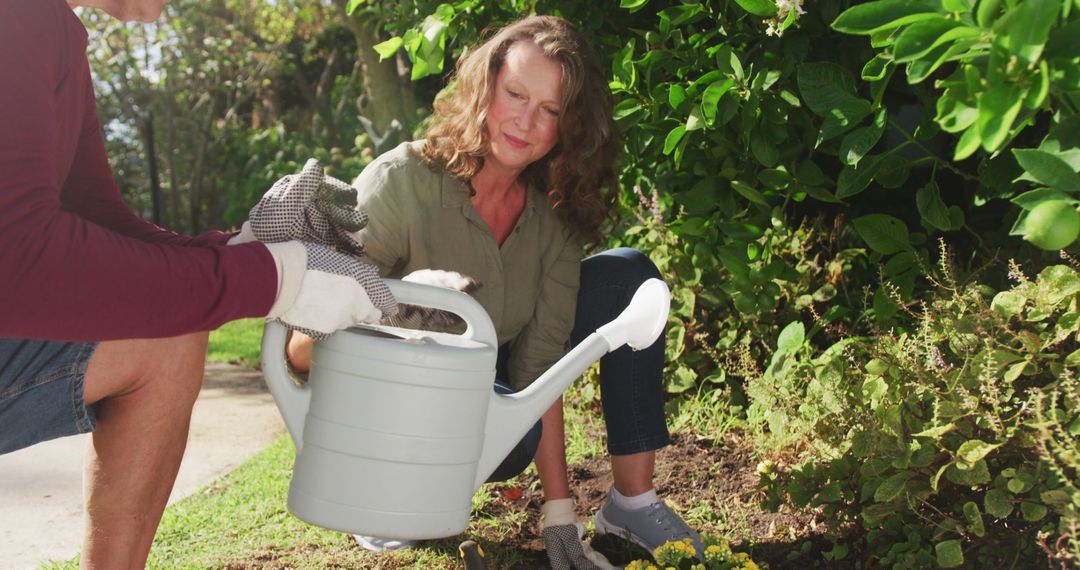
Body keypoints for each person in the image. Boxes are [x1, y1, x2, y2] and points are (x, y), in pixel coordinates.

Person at [285, 15, 704, 567]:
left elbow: (540, 373)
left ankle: (631, 505)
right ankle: (384, 496)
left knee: (629, 278)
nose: (526, 122)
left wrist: (560, 515)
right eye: (515, 94)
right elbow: (300, 350)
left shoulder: (550, 218)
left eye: (550, 110)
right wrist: (392, 304)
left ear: (567, 127)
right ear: (485, 87)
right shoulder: (400, 181)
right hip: (382, 407)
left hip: (483, 395)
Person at [0, 1, 393, 568]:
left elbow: (95, 215)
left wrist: (246, 250)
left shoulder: (55, 29)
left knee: (171, 333)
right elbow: (20, 257)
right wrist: (275, 279)